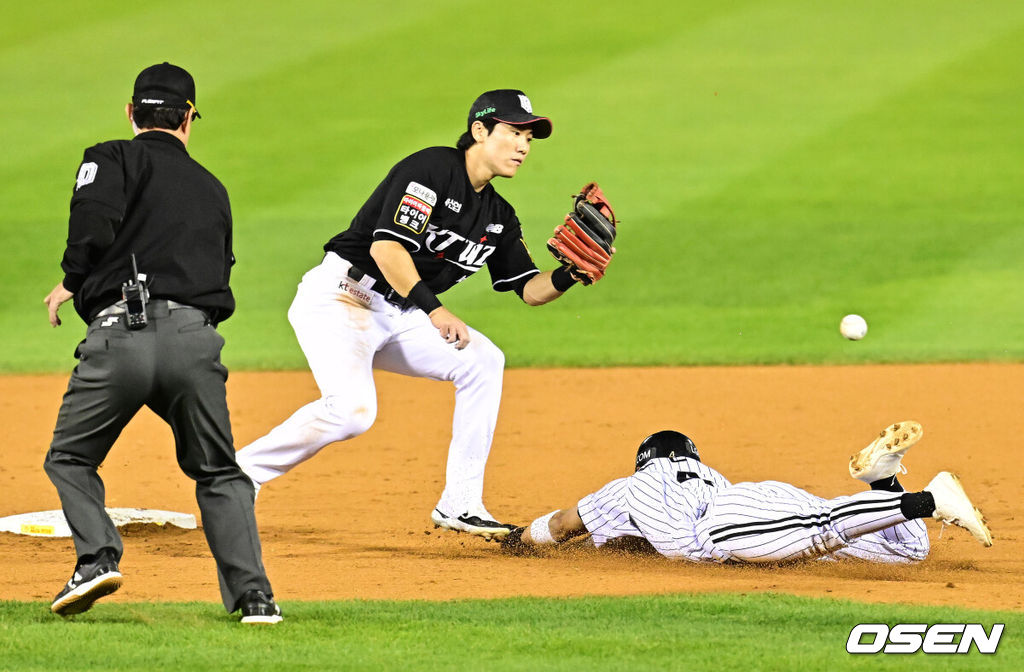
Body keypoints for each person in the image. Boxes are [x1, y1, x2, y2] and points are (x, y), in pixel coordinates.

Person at [235, 90, 597, 539]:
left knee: (484, 361)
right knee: (352, 412)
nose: (523, 145)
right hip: (343, 297)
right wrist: (436, 309)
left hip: (401, 313)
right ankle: (238, 476)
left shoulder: (499, 215)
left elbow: (528, 289)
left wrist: (570, 274)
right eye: (514, 132)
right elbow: (386, 248)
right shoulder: (432, 170)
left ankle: (461, 504)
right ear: (480, 131)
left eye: (529, 136)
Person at [42, 62, 281, 624]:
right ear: (188, 119)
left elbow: (93, 224)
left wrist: (73, 280)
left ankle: (97, 559)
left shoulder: (110, 155)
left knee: (72, 458)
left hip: (118, 337)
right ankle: (256, 598)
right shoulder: (212, 187)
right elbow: (218, 272)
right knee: (220, 472)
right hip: (194, 342)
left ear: (131, 112)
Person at [502, 422, 993, 562]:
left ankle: (928, 500)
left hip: (725, 528)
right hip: (753, 507)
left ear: (643, 462)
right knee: (909, 553)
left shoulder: (630, 486)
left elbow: (564, 525)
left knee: (823, 528)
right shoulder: (707, 474)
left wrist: (516, 540)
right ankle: (884, 479)